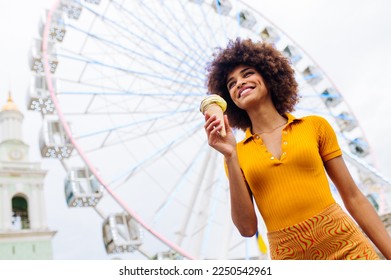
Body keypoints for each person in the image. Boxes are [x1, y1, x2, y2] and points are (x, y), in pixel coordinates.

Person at [203, 38, 391, 260]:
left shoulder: (315, 127)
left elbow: (354, 198)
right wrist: (230, 156)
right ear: (230, 99)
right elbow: (246, 229)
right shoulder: (237, 154)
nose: (239, 84)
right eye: (231, 84)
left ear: (268, 76)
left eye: (247, 73)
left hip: (348, 247)